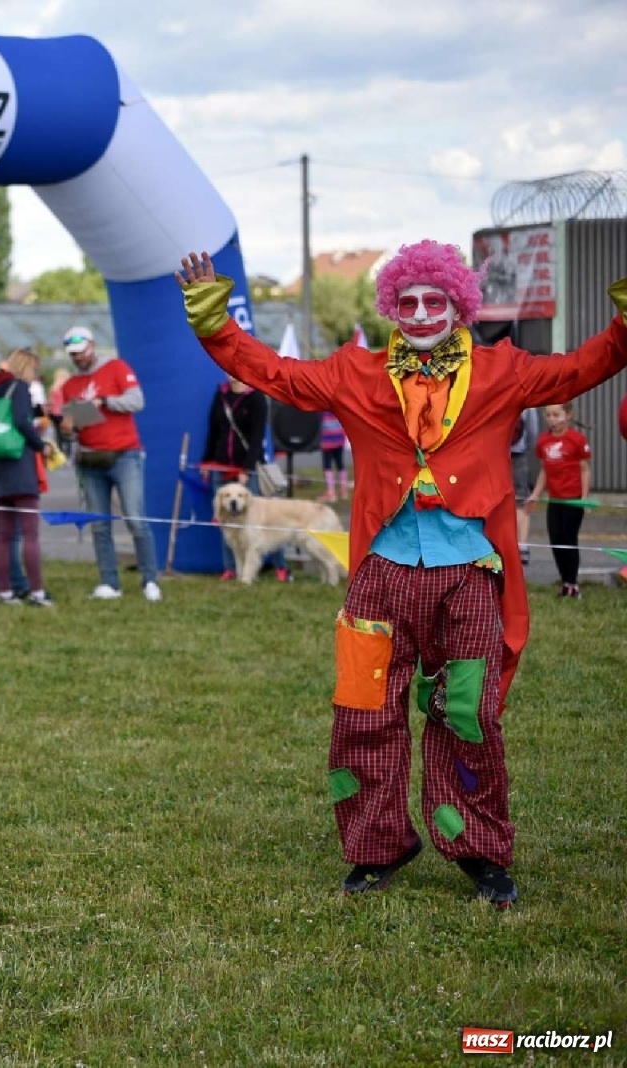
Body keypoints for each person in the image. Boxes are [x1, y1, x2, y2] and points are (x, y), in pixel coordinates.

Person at [176, 242, 627, 908]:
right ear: (391, 306)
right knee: (365, 711)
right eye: (407, 301)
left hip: (469, 573)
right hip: (381, 574)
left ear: (458, 305)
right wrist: (214, 321)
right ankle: (378, 845)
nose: (419, 313)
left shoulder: (503, 371)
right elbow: (274, 373)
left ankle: (478, 850)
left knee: (469, 712)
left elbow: (584, 367)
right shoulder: (354, 373)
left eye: (433, 300)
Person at [59, 325, 162, 601]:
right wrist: (68, 429)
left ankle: (150, 579)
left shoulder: (116, 368)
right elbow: (72, 429)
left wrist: (105, 401)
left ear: (92, 346)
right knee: (99, 524)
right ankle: (109, 582)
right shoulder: (70, 386)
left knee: (135, 518)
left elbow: (137, 401)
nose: (78, 358)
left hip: (125, 454)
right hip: (90, 458)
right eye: (74, 354)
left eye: (81, 352)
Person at [0, 348, 53, 606]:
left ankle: (4, 591)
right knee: (30, 533)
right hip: (19, 465)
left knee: (3, 533)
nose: (35, 375)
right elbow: (21, 421)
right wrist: (41, 446)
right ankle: (37, 592)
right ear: (26, 367)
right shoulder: (20, 387)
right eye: (34, 369)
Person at [201, 375, 288, 581]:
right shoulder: (221, 394)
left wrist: (247, 469)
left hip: (247, 467)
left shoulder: (256, 397)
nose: (230, 374)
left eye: (234, 369)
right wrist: (207, 461)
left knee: (262, 520)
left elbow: (258, 437)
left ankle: (280, 567)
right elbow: (213, 431)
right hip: (222, 466)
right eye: (227, 370)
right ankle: (230, 568)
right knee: (225, 520)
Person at [527, 403, 591, 599]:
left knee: (569, 540)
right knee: (556, 540)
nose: (552, 419)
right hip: (554, 500)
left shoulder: (576, 440)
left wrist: (584, 499)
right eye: (548, 415)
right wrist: (536, 494)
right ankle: (564, 582)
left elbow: (584, 470)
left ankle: (572, 583)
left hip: (572, 499)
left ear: (568, 414)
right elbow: (545, 470)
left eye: (556, 415)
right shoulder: (543, 441)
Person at [509, 406, 540, 564]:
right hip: (518, 454)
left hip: (495, 455)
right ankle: (523, 546)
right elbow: (533, 432)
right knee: (521, 501)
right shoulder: (527, 403)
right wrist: (525, 447)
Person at [319, 410, 350, 503]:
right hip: (339, 437)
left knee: (327, 465)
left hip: (327, 439)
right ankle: (344, 491)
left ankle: (331, 492)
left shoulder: (323, 409)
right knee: (340, 464)